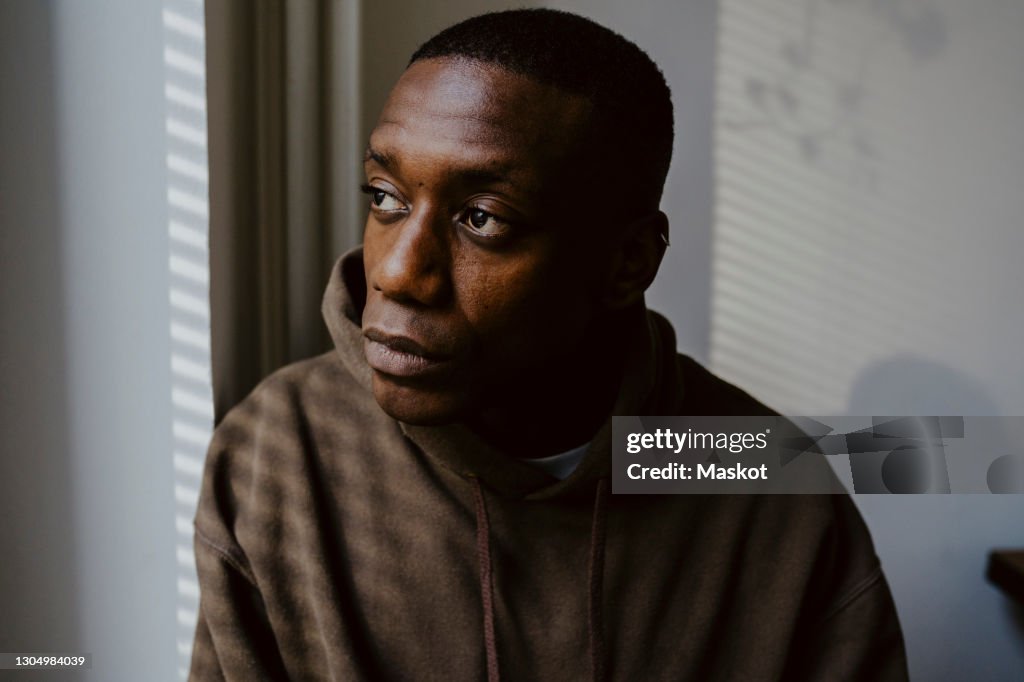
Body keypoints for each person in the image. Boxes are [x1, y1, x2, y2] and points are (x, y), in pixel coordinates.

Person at [189, 9, 907, 681]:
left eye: (482, 217)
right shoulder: (279, 449)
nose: (399, 272)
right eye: (385, 196)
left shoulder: (768, 479)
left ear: (627, 262)